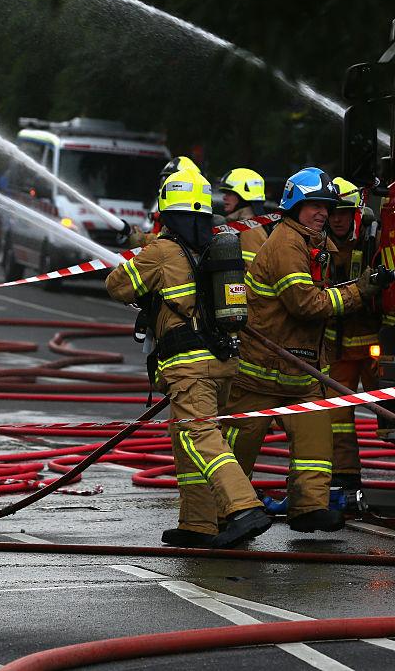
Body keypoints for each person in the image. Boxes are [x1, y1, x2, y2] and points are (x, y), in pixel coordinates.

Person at [106, 157, 271, 549]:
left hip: (188, 364)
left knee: (200, 436)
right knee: (186, 439)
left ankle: (244, 507)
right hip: (223, 360)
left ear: (168, 209)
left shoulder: (162, 250)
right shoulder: (218, 242)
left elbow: (117, 286)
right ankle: (197, 523)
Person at [223, 167, 385, 533]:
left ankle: (308, 507)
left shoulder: (317, 245)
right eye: (314, 206)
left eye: (326, 207)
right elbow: (305, 304)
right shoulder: (286, 244)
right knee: (237, 448)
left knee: (316, 445)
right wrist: (360, 292)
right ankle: (223, 510)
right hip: (259, 374)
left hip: (301, 372)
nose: (323, 214)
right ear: (294, 206)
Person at [325, 177, 382, 509]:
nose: (337, 219)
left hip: (374, 345)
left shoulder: (374, 245)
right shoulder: (318, 248)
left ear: (356, 213)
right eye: (333, 212)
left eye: (344, 212)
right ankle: (345, 476)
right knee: (337, 417)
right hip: (340, 348)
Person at [219, 166, 273, 274]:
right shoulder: (243, 224)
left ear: (244, 196)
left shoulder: (250, 229)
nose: (224, 198)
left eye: (229, 193)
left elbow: (253, 272)